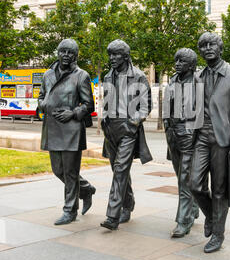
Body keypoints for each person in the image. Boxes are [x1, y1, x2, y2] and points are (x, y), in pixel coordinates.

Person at [191, 32, 230, 253]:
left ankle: (218, 234)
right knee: (194, 184)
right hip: (201, 137)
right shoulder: (198, 76)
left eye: (211, 44)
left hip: (223, 140)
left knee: (219, 190)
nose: (207, 48)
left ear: (220, 47)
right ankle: (211, 217)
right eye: (203, 45)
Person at [38, 38, 95, 225]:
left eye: (70, 52)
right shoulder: (47, 75)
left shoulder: (81, 76)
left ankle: (70, 210)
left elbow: (88, 104)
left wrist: (73, 113)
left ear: (76, 56)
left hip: (72, 130)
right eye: (63, 51)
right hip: (52, 127)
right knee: (58, 170)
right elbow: (41, 96)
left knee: (70, 172)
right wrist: (42, 105)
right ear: (58, 52)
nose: (66, 55)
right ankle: (85, 189)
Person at [100, 39, 152, 230]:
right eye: (110, 54)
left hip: (128, 129)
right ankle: (128, 204)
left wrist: (134, 122)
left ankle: (112, 216)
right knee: (118, 170)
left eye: (116, 54)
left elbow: (146, 107)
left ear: (126, 56)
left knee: (121, 169)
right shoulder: (107, 77)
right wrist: (104, 118)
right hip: (110, 130)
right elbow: (106, 102)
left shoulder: (138, 76)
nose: (112, 58)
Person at [163, 48, 201, 238]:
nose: (177, 64)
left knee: (185, 178)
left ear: (191, 65)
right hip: (172, 134)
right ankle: (194, 208)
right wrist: (166, 124)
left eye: (182, 61)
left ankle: (183, 220)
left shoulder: (198, 82)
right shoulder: (172, 81)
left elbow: (202, 112)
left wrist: (191, 131)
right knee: (181, 175)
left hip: (188, 134)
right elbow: (166, 107)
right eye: (176, 60)